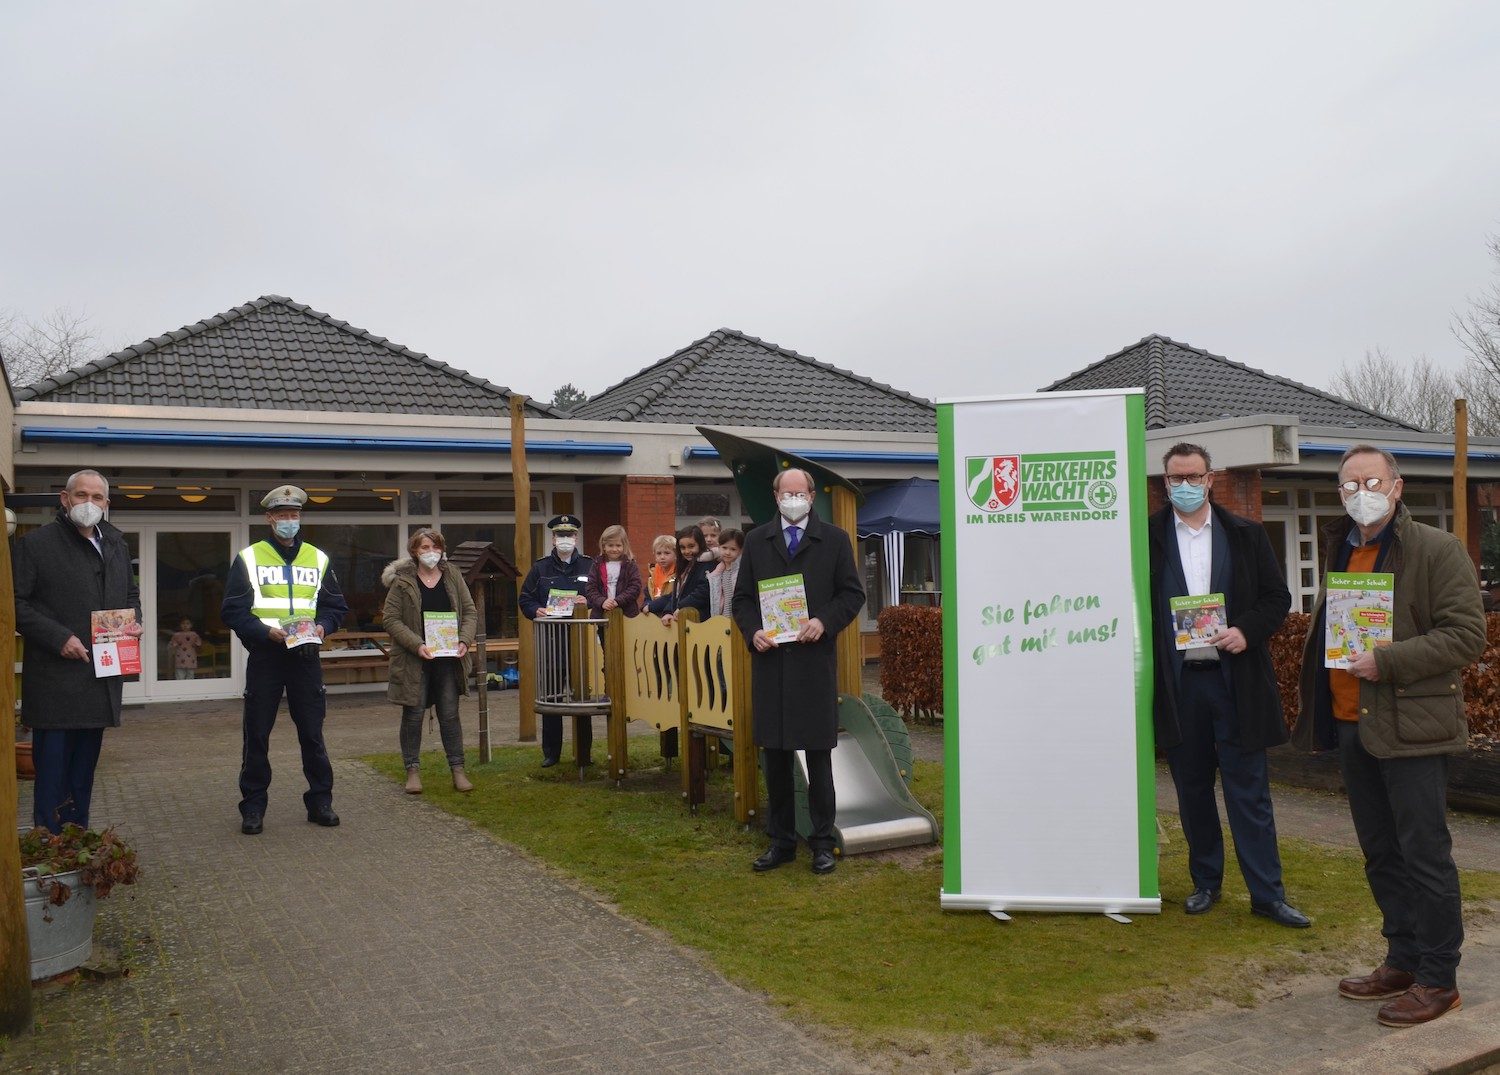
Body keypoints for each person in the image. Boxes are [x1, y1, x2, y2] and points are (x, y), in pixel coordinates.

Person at [1293, 445, 1485, 1028]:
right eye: (1348, 485)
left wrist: (1389, 660)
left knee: (1424, 855)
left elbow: (1466, 636)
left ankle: (1439, 979)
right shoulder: (1344, 547)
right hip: (1355, 726)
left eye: (1370, 481)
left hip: (1413, 730)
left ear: (1396, 487)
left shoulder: (1436, 549)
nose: (1359, 493)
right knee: (1381, 853)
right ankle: (1402, 960)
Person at [1149, 443, 1308, 928]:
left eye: (1194, 477)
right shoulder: (1145, 537)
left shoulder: (1246, 534)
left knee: (1249, 793)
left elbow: (1276, 598)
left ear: (1211, 478)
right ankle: (1206, 883)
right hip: (1180, 688)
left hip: (1234, 682)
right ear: (1164, 480)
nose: (1185, 486)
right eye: (1176, 478)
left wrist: (1245, 630)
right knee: (1192, 791)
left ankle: (1268, 894)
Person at [731, 468, 864, 875]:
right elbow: (742, 599)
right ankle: (781, 841)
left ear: (810, 496)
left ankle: (822, 841)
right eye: (785, 492)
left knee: (819, 760)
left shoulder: (836, 540)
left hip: (812, 665)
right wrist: (752, 631)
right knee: (775, 759)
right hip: (771, 665)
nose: (793, 498)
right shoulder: (756, 541)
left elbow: (852, 594)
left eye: (799, 492)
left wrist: (824, 621)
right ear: (775, 497)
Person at [13, 469, 142, 832]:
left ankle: (76, 842)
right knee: (52, 779)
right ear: (64, 499)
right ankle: (49, 850)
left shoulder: (116, 544)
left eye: (97, 497)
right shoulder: (36, 545)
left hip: (98, 683)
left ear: (107, 504)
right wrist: (59, 638)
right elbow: (15, 604)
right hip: (56, 685)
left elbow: (130, 595)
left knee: (82, 779)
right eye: (81, 495)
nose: (89, 503)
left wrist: (136, 621)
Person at [222, 485, 349, 835]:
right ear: (269, 518)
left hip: (306, 656)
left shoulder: (318, 558)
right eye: (282, 515)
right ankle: (253, 807)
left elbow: (335, 607)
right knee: (257, 734)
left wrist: (323, 627)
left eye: (294, 515)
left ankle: (321, 801)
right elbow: (232, 610)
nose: (289, 521)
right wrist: (265, 632)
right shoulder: (249, 557)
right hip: (267, 654)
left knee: (312, 733)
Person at [382, 528, 477, 795]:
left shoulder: (452, 575)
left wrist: (464, 640)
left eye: (435, 547)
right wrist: (417, 644)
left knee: (449, 714)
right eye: (424, 548)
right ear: (414, 551)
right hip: (415, 659)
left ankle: (458, 769)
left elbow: (469, 611)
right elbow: (390, 619)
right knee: (413, 715)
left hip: (448, 659)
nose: (430, 553)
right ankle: (412, 770)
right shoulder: (402, 581)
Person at [517, 514, 596, 767]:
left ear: (576, 538)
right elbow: (525, 599)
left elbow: (601, 596)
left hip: (581, 643)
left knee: (582, 699)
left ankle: (584, 753)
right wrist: (536, 610)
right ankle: (552, 753)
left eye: (569, 535)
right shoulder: (540, 568)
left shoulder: (589, 566)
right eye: (560, 535)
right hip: (551, 644)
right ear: (552, 538)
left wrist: (590, 601)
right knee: (552, 700)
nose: (565, 540)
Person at [584, 524, 643, 621]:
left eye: (618, 545)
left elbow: (635, 587)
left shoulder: (630, 564)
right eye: (610, 545)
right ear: (604, 546)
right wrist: (602, 602)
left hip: (627, 614)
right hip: (601, 614)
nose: (614, 549)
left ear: (624, 546)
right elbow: (591, 588)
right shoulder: (597, 564)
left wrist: (618, 601)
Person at [659, 525, 711, 627]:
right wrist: (668, 612)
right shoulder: (683, 565)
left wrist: (682, 606)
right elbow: (676, 594)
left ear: (700, 544)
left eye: (691, 546)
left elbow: (703, 591)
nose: (687, 551)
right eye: (682, 548)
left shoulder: (707, 564)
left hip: (700, 622)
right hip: (681, 620)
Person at [708, 527, 744, 618]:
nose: (727, 552)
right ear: (718, 547)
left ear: (741, 550)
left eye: (733, 549)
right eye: (724, 548)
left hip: (739, 619)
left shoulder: (742, 570)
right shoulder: (717, 572)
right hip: (723, 620)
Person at [644, 535, 677, 615]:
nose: (662, 557)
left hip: (670, 613)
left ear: (676, 555)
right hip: (653, 614)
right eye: (659, 553)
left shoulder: (678, 574)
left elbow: (674, 596)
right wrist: (646, 605)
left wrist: (652, 606)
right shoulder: (652, 574)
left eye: (667, 553)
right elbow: (647, 595)